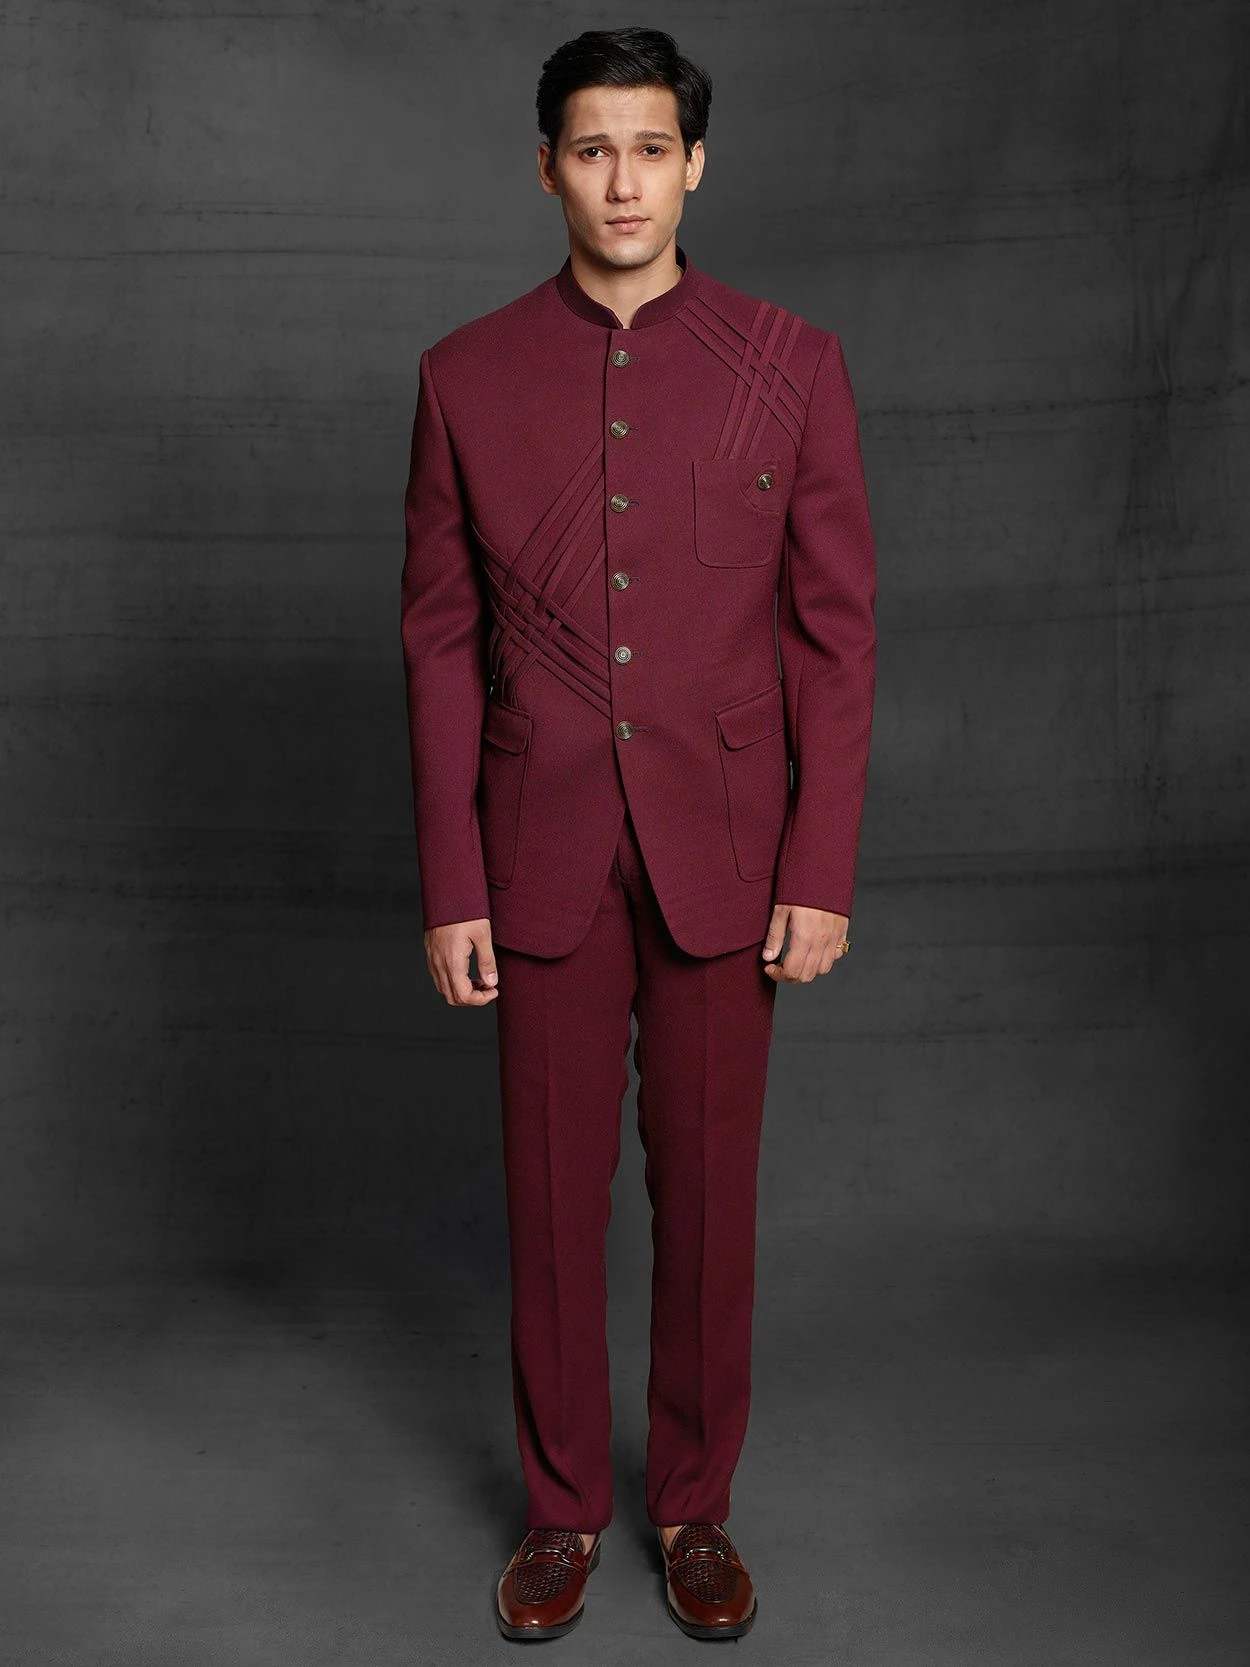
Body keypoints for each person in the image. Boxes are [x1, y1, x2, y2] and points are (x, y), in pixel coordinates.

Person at [399, 25, 877, 1643]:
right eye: (591, 149)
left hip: (725, 854)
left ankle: (692, 1504)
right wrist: (449, 880)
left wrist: (818, 868)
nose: (622, 181)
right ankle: (559, 1511)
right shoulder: (462, 378)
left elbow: (834, 639)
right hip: (532, 850)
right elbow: (438, 643)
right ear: (545, 167)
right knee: (549, 1199)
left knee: (712, 1198)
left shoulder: (789, 362)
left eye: (650, 148)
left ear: (694, 167)